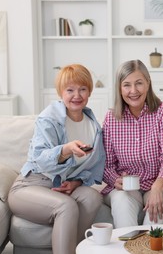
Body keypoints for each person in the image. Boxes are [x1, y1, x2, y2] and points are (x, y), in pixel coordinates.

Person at [8, 64, 105, 254]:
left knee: (92, 197)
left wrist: (77, 182)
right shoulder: (49, 119)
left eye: (82, 89)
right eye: (70, 90)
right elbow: (39, 158)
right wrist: (66, 149)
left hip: (62, 187)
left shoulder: (93, 125)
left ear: (90, 92)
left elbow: (95, 166)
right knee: (66, 206)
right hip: (30, 186)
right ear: (61, 92)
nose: (76, 95)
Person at [101, 59, 163, 228]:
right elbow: (106, 165)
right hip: (128, 188)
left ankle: (149, 246)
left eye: (139, 83)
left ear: (148, 83)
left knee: (162, 200)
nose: (133, 91)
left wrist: (158, 187)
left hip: (161, 183)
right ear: (119, 88)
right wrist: (116, 180)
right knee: (121, 200)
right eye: (127, 85)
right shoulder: (111, 119)